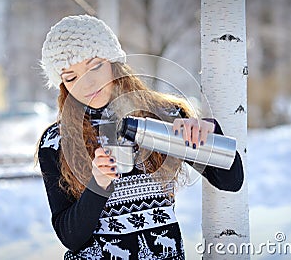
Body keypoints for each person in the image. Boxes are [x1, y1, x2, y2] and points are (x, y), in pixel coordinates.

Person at [37, 14, 243, 260]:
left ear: (114, 62)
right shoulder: (57, 141)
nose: (87, 83)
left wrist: (208, 134)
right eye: (71, 77)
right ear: (61, 83)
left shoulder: (163, 116)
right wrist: (98, 185)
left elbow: (231, 181)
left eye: (95, 66)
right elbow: (70, 236)